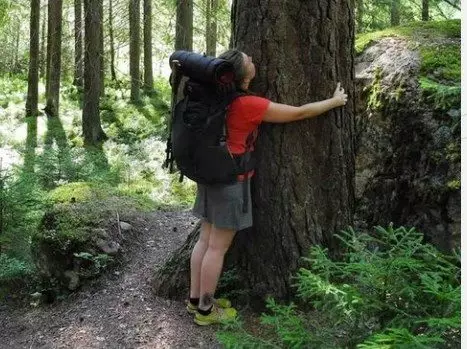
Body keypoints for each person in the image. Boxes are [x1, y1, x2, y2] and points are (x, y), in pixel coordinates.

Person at [186, 49, 348, 326]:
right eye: (249, 60)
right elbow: (299, 113)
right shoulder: (249, 105)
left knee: (205, 241)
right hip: (230, 182)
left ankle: (194, 301)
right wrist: (334, 102)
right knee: (217, 248)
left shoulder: (215, 96)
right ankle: (205, 311)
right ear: (241, 74)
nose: (253, 61)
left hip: (210, 175)